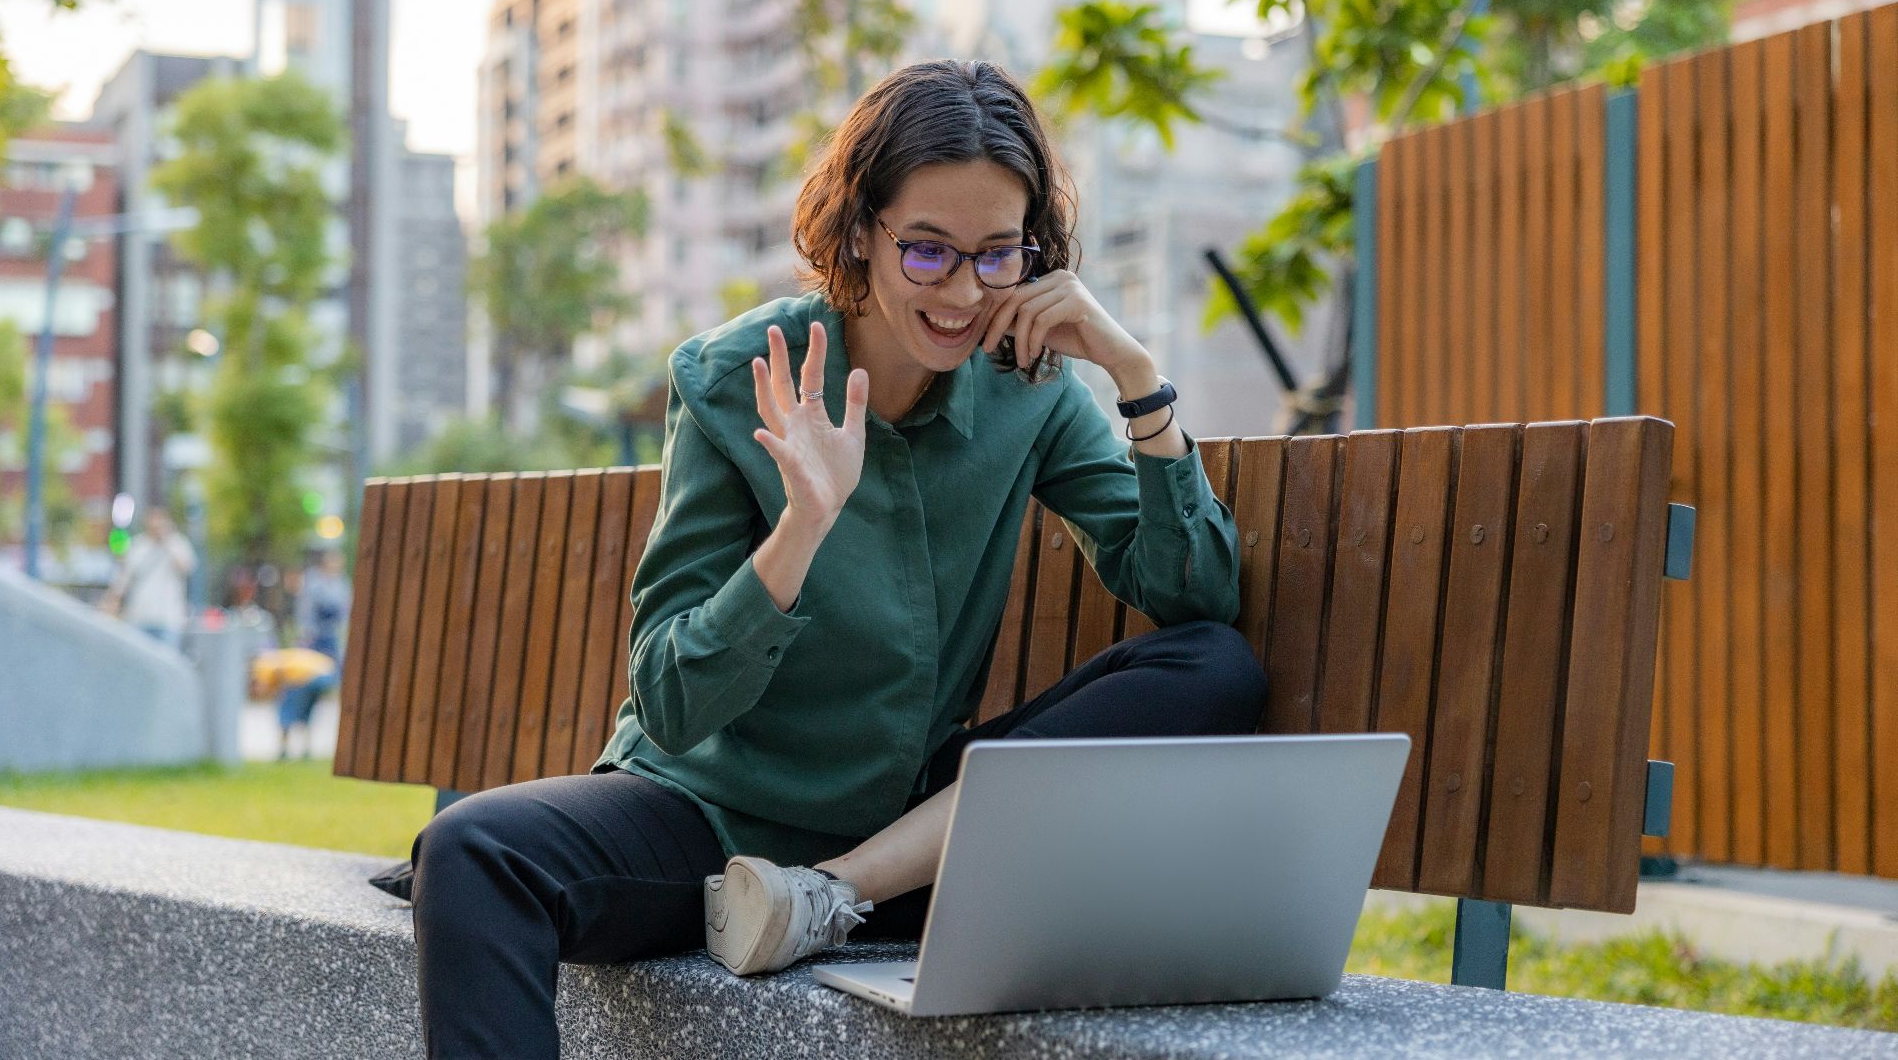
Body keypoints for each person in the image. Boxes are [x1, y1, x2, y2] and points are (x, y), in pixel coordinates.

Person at [406, 60, 1268, 1059]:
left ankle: (834, 892)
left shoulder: (1029, 388)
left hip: (903, 848)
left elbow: (1196, 596)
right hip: (713, 822)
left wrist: (1137, 377)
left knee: (1214, 669)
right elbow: (673, 699)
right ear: (861, 230)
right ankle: (811, 891)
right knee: (471, 852)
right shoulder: (737, 376)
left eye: (998, 256)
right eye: (929, 252)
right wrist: (801, 528)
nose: (962, 293)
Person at [276, 548, 350, 760]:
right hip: (310, 644)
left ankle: (306, 744)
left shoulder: (340, 584)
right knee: (295, 692)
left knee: (315, 696)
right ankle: (285, 743)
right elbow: (305, 616)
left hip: (328, 644)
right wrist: (303, 641)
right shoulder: (314, 584)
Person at [101, 505, 196, 651]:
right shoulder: (137, 546)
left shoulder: (177, 543)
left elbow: (186, 568)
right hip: (139, 617)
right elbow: (123, 580)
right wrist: (110, 603)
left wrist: (166, 540)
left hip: (169, 619)